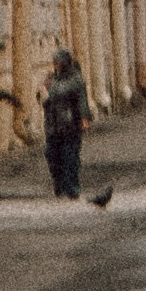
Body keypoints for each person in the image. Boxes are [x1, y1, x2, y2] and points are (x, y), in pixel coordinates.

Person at [42, 43, 91, 200]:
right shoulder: (54, 79)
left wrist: (84, 118)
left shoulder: (75, 79)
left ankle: (72, 187)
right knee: (52, 155)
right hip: (53, 125)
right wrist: (45, 91)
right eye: (55, 62)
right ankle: (59, 185)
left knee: (70, 157)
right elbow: (49, 98)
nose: (56, 65)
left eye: (58, 62)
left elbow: (82, 100)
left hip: (70, 125)